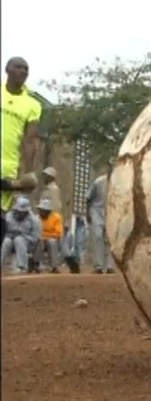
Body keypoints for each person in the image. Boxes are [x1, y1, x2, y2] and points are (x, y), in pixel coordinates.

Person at [1, 57, 42, 236]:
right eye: (18, 67)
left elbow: (30, 140)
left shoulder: (32, 105)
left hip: (8, 168)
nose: (23, 71)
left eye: (26, 69)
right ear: (7, 70)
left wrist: (29, 172)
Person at [87, 162, 116, 274]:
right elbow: (88, 198)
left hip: (110, 214)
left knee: (109, 240)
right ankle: (98, 266)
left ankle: (109, 266)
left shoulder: (118, 184)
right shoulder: (99, 182)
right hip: (97, 211)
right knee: (98, 236)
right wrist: (88, 214)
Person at [1, 196, 41, 274]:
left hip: (27, 244)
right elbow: (3, 232)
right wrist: (11, 234)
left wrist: (23, 235)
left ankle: (22, 267)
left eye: (22, 212)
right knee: (6, 241)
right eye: (18, 211)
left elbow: (36, 238)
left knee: (19, 239)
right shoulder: (8, 216)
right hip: (10, 239)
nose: (19, 213)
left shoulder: (34, 220)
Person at [36, 197, 63, 273]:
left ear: (48, 211)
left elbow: (58, 234)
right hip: (40, 241)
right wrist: (45, 236)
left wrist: (44, 236)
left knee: (51, 241)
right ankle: (37, 264)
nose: (40, 212)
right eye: (40, 209)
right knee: (38, 240)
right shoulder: (36, 218)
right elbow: (35, 234)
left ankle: (54, 267)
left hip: (53, 241)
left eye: (43, 210)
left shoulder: (56, 218)